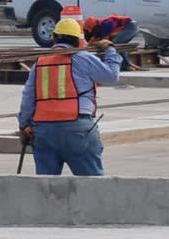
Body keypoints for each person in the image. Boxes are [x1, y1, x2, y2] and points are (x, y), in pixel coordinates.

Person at [17, 18, 121, 176]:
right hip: (77, 130)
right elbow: (112, 76)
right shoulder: (83, 57)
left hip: (44, 132)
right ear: (78, 40)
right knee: (92, 187)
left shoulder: (40, 62)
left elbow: (28, 98)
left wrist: (24, 126)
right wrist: (111, 51)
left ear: (55, 37)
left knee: (47, 188)